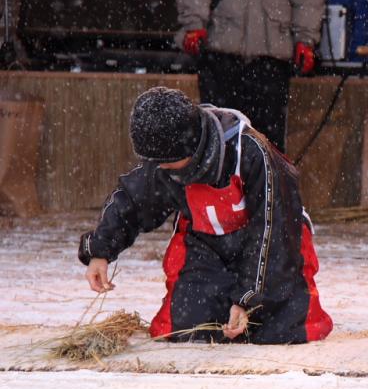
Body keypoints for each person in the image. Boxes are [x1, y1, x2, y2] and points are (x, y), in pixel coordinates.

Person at [79, 87, 333, 344]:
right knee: (185, 327)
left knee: (282, 330)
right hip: (206, 244)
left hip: (273, 247)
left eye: (166, 162)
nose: (160, 169)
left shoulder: (253, 153)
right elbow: (132, 201)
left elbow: (273, 230)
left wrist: (247, 299)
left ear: (191, 149)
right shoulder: (164, 161)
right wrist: (100, 251)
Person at [175, 0, 325, 152]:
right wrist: (194, 22)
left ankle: (254, 175)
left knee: (257, 142)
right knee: (225, 139)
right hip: (228, 54)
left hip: (257, 56)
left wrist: (305, 38)